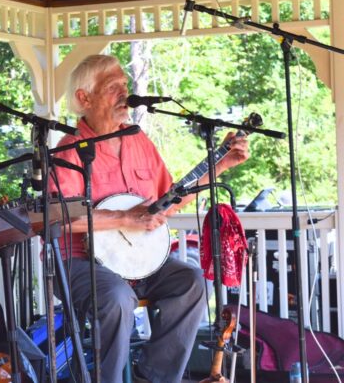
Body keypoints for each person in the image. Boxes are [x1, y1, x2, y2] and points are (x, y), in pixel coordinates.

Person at [50, 54, 249, 383]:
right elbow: (61, 217)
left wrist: (221, 165)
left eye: (125, 86)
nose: (124, 94)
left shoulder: (138, 139)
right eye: (113, 88)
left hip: (138, 260)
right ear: (84, 98)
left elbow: (168, 200)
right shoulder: (69, 150)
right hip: (79, 262)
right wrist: (124, 218)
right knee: (116, 297)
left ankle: (153, 378)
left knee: (192, 282)